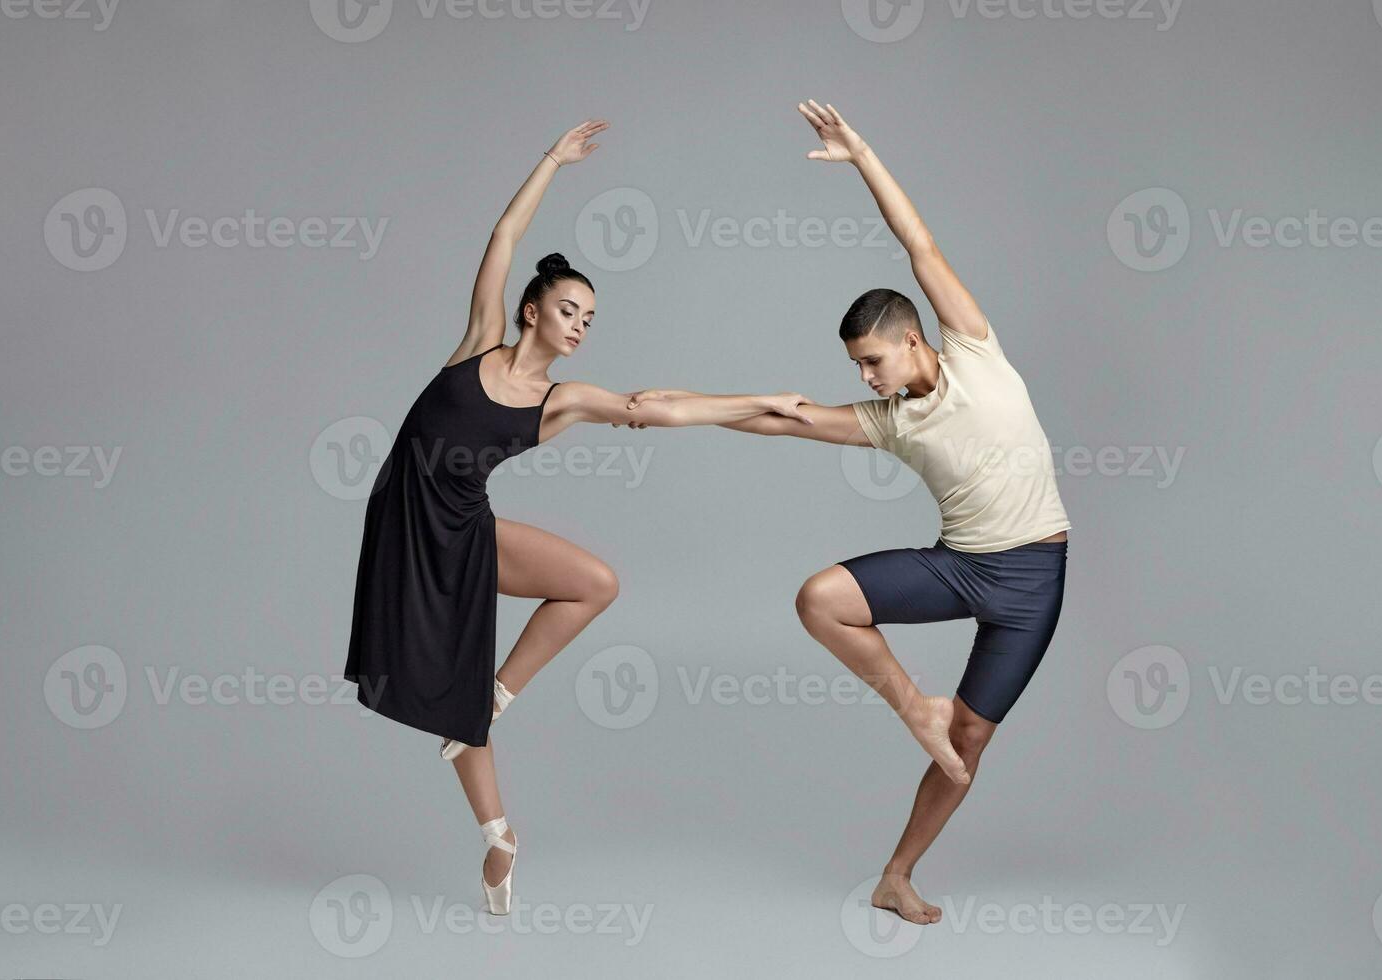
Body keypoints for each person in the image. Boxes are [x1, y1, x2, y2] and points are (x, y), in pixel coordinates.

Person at [344, 119, 814, 915]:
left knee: (592, 583)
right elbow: (504, 233)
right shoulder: (477, 345)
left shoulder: (561, 403)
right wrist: (552, 162)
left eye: (590, 318)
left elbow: (651, 407)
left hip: (465, 533)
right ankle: (482, 756)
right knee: (441, 685)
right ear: (532, 312)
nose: (580, 324)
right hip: (403, 527)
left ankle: (497, 818)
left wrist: (759, 398)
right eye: (569, 309)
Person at [624, 101, 1072, 926]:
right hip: (962, 566)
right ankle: (914, 706)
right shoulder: (889, 420)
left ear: (909, 339)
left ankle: (895, 877)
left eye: (870, 361)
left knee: (966, 750)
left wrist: (863, 155)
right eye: (856, 367)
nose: (864, 378)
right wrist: (677, 409)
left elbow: (920, 245)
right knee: (819, 600)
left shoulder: (973, 347)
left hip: (1034, 581)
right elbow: (782, 419)